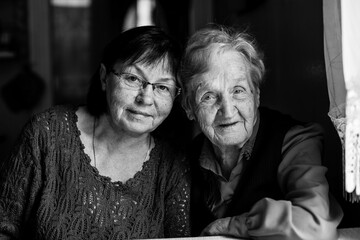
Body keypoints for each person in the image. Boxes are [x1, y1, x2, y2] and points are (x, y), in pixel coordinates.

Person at [0, 26, 190, 239]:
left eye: (163, 87)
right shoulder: (46, 133)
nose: (146, 98)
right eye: (133, 79)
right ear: (103, 77)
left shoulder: (173, 165)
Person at [179, 25, 343, 240]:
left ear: (256, 95)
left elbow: (315, 223)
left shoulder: (293, 140)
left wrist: (231, 225)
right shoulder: (182, 160)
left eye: (238, 91)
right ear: (189, 107)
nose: (228, 112)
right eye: (209, 96)